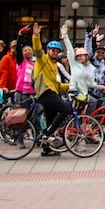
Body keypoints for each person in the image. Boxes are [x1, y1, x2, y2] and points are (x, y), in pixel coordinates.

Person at [31, 22, 73, 156]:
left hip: (52, 92)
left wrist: (70, 87)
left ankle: (46, 149)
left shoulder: (55, 66)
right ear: (48, 51)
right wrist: (36, 36)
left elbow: (57, 85)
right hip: (45, 92)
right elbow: (37, 50)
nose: (55, 53)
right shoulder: (42, 60)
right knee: (66, 108)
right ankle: (47, 134)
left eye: (57, 51)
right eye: (52, 50)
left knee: (51, 119)